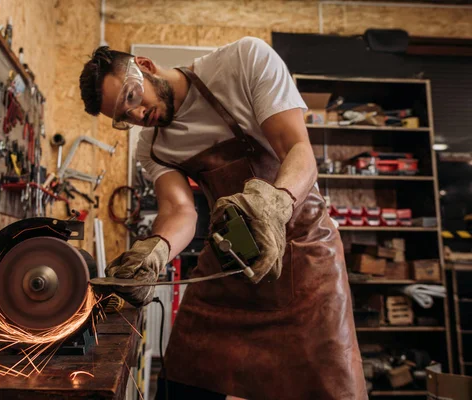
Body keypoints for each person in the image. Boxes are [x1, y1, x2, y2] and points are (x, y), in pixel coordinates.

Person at [79, 37, 367, 400]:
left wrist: (275, 205)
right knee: (185, 377)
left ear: (146, 66)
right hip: (229, 261)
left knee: (329, 387)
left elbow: (298, 149)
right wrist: (154, 253)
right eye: (123, 117)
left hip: (303, 255)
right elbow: (180, 210)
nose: (136, 116)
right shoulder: (152, 146)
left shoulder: (243, 62)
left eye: (132, 98)